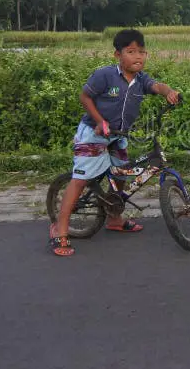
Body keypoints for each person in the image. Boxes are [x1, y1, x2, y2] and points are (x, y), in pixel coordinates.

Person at [49, 29, 180, 256]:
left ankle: (114, 219)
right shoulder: (105, 75)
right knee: (81, 179)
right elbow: (85, 96)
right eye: (131, 52)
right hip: (93, 132)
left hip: (119, 135)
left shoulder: (141, 80)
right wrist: (100, 120)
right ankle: (59, 229)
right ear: (117, 55)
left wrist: (169, 92)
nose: (138, 56)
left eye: (142, 52)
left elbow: (157, 86)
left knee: (120, 174)